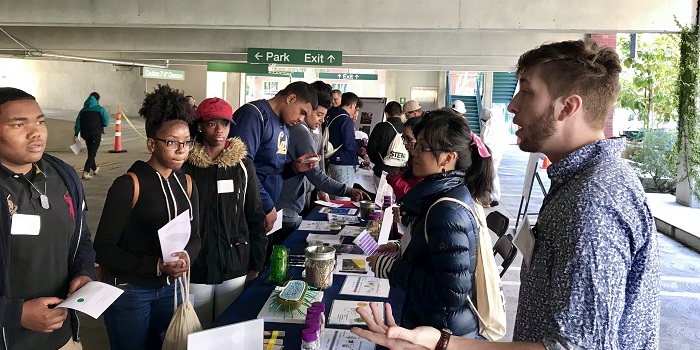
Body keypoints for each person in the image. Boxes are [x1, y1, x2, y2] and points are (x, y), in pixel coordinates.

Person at [352, 39, 660, 350]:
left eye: (526, 92)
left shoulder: (595, 198)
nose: (512, 105)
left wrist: (445, 344)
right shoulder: (577, 182)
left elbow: (576, 347)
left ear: (568, 107)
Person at [367, 110, 495, 337]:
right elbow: (437, 250)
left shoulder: (446, 210)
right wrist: (402, 248)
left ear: (448, 158)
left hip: (441, 331)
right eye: (416, 145)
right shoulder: (444, 192)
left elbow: (451, 292)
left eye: (423, 148)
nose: (413, 152)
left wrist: (393, 269)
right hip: (433, 322)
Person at [94, 84, 201, 349]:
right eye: (172, 142)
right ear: (151, 144)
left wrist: (187, 257)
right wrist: (154, 265)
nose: (181, 149)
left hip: (171, 289)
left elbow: (196, 236)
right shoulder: (128, 185)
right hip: (131, 292)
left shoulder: (187, 183)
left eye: (186, 142)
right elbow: (104, 249)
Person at [0, 87, 96, 349]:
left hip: (63, 338)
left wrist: (84, 272)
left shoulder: (63, 175)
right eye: (19, 124)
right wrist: (15, 313)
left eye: (40, 121)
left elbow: (81, 237)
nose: (36, 132)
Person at [181, 97, 266, 328]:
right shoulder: (185, 165)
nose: (220, 130)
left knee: (227, 329)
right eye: (211, 123)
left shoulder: (242, 165)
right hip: (196, 266)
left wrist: (256, 263)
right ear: (199, 125)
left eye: (225, 124)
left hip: (234, 263)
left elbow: (255, 214)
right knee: (194, 331)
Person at [275, 82, 369, 243]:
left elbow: (317, 163)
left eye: (324, 116)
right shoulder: (300, 131)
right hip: (286, 204)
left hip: (292, 201)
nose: (321, 120)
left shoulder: (306, 129)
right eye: (319, 114)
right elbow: (314, 173)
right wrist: (348, 191)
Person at [228, 81, 320, 233]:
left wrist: (294, 168)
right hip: (248, 209)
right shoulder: (254, 115)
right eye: (302, 112)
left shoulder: (284, 125)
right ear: (291, 98)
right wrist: (266, 205)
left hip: (268, 208)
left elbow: (271, 169)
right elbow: (241, 166)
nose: (302, 119)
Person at [325, 92, 366, 199]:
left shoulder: (330, 114)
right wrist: (362, 142)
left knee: (332, 199)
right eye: (355, 108)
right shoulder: (346, 119)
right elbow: (349, 144)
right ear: (352, 105)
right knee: (343, 199)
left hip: (332, 162)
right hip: (344, 165)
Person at [73, 91, 109, 180]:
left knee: (91, 151)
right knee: (92, 154)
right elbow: (106, 122)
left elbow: (78, 123)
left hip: (85, 134)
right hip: (96, 134)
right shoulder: (100, 109)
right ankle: (86, 172)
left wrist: (76, 133)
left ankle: (95, 168)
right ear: (97, 100)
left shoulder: (82, 111)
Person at [387, 116, 423, 200]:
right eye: (403, 138)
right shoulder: (412, 159)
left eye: (409, 139)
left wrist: (396, 180)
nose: (404, 142)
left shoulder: (424, 162)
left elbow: (414, 197)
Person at [367, 101, 405, 178]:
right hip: (401, 173)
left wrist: (378, 162)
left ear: (386, 114)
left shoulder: (380, 127)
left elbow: (371, 149)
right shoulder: (407, 128)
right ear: (401, 114)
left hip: (382, 171)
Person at [479, 107, 508, 207]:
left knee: (490, 174)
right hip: (497, 153)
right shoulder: (500, 123)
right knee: (492, 174)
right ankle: (491, 197)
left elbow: (484, 140)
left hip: (490, 154)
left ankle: (493, 198)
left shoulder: (489, 125)